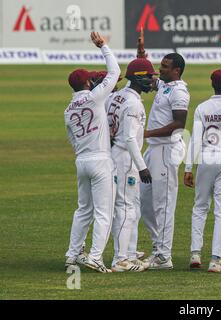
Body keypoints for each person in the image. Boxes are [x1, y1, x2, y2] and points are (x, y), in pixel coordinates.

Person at [64, 32, 120, 273]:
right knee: (103, 213)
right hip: (100, 160)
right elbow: (115, 73)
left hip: (82, 160)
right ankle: (95, 257)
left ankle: (72, 254)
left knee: (83, 210)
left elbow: (72, 140)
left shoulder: (67, 110)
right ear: (88, 83)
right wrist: (103, 47)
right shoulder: (95, 97)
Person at [184, 69, 221, 273]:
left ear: (212, 85)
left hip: (206, 160)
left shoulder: (202, 107)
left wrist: (189, 167)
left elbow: (196, 139)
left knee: (200, 207)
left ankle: (195, 254)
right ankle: (216, 260)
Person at [106, 58, 157, 272]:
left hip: (116, 155)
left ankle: (129, 254)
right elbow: (128, 138)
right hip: (126, 159)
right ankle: (120, 260)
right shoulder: (133, 103)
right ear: (139, 78)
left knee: (131, 208)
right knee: (125, 208)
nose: (153, 81)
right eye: (149, 77)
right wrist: (142, 166)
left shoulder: (115, 96)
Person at [140, 53, 190, 270]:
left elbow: (179, 124)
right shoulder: (165, 85)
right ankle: (157, 247)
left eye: (165, 67)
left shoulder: (179, 91)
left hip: (166, 150)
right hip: (153, 150)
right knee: (144, 202)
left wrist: (147, 133)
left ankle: (163, 256)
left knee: (164, 204)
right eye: (161, 65)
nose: (160, 69)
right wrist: (141, 54)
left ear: (176, 71)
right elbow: (147, 76)